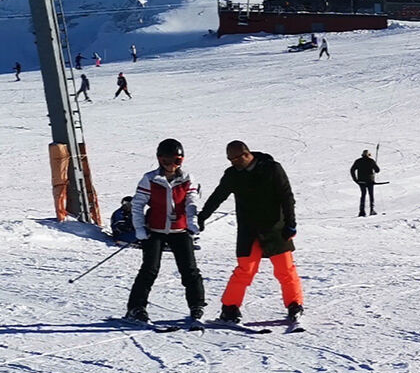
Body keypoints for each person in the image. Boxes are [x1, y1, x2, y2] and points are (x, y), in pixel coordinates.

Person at [199, 141, 304, 324]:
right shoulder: (233, 174)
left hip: (275, 229)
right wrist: (202, 217)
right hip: (249, 231)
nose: (233, 163)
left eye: (235, 159)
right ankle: (230, 308)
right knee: (244, 270)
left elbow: (287, 197)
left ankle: (295, 304)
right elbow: (218, 196)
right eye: (230, 160)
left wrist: (291, 224)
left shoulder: (272, 168)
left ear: (246, 155)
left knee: (285, 270)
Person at [124, 138, 205, 323]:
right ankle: (136, 308)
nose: (171, 166)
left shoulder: (187, 178)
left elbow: (191, 201)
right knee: (149, 270)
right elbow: (138, 205)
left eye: (177, 161)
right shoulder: (150, 179)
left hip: (180, 230)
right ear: (159, 159)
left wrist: (192, 223)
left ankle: (197, 306)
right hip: (155, 230)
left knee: (190, 270)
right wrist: (140, 229)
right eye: (166, 161)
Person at [349, 148, 381, 217]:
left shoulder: (358, 161)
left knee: (363, 195)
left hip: (361, 181)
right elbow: (377, 170)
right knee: (371, 195)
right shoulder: (371, 161)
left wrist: (355, 179)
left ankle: (362, 211)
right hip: (370, 181)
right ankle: (372, 210)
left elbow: (352, 170)